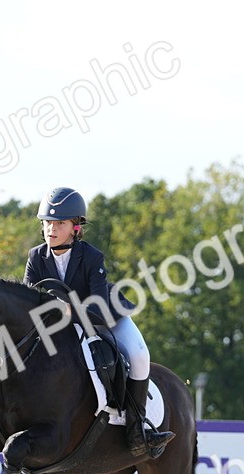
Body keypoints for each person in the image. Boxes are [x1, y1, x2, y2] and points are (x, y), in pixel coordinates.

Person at [24, 187, 172, 458]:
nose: (51, 229)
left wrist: (63, 311)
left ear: (76, 228)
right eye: (47, 222)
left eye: (59, 223)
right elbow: (29, 302)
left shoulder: (92, 257)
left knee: (139, 355)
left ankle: (137, 428)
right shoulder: (36, 257)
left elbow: (98, 309)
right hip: (62, 325)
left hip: (104, 317)